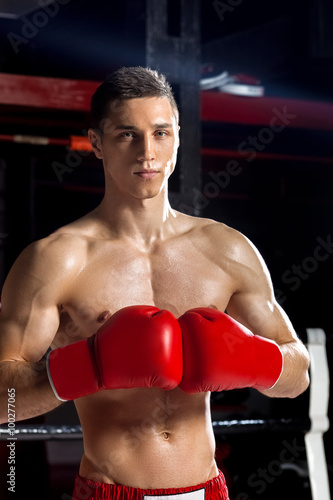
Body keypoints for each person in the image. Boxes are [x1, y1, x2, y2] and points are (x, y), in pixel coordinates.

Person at [0, 66, 310, 500]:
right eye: (127, 134)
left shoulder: (226, 249)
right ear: (96, 143)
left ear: (178, 137)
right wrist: (88, 367)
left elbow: (298, 374)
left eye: (161, 133)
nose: (147, 151)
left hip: (208, 490)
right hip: (111, 492)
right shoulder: (56, 260)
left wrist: (254, 360)